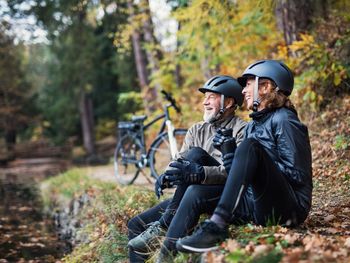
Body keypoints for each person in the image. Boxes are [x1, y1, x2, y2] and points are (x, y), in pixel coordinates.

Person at [176, 59, 313, 253]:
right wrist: (230, 153)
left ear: (265, 87)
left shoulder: (284, 120)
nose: (243, 91)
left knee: (251, 147)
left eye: (248, 84)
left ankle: (217, 225)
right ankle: (166, 253)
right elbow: (241, 180)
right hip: (256, 203)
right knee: (196, 193)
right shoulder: (252, 126)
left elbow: (299, 175)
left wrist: (258, 159)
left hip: (290, 209)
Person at [127, 75, 246, 262]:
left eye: (211, 97)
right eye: (204, 97)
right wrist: (167, 175)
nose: (205, 102)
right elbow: (180, 160)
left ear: (229, 102)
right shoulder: (196, 129)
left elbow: (236, 173)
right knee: (135, 224)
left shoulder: (242, 130)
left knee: (196, 154)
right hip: (190, 192)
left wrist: (200, 173)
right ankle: (163, 224)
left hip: (219, 193)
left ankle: (165, 224)